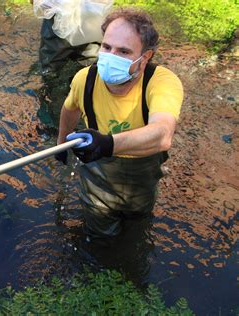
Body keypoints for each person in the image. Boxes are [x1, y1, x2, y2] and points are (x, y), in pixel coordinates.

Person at [55, 8, 184, 239]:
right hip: (97, 176)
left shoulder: (162, 82)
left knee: (137, 225)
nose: (110, 56)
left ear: (145, 57)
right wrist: (61, 142)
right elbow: (69, 109)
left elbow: (162, 134)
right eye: (106, 47)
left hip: (141, 178)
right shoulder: (85, 79)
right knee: (99, 231)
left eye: (123, 51)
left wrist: (106, 144)